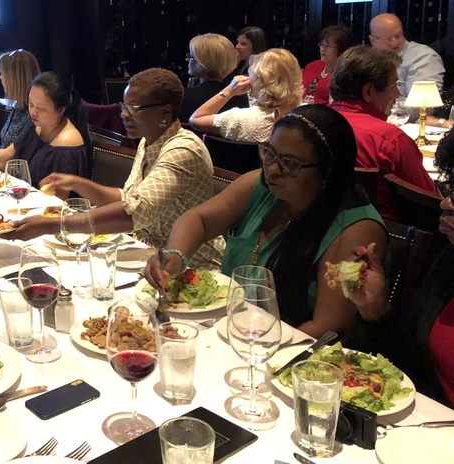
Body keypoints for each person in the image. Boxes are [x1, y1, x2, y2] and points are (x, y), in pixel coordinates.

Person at [146, 105, 387, 339]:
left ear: (327, 172)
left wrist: (255, 349)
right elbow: (199, 219)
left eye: (290, 163)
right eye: (269, 153)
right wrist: (174, 255)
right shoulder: (263, 187)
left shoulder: (354, 228)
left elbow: (327, 329)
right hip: (235, 333)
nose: (272, 169)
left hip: (292, 354)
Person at [5, 69, 224, 269]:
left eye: (133, 108)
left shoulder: (183, 149)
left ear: (165, 112)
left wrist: (52, 225)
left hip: (192, 265)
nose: (123, 114)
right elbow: (128, 198)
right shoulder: (147, 142)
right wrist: (76, 183)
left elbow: (137, 210)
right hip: (148, 255)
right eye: (123, 106)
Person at [344, 130, 454, 407]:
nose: (445, 202)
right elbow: (414, 369)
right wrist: (375, 309)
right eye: (450, 187)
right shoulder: (448, 263)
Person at [329, 45, 435, 222]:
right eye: (394, 86)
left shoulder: (308, 125)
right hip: (382, 233)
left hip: (314, 231)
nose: (398, 94)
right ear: (369, 91)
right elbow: (427, 201)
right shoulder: (390, 140)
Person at [0, 71, 90, 198]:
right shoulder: (36, 124)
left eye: (40, 109)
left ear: (61, 110)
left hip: (48, 205)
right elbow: (8, 154)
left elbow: (58, 200)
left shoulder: (67, 141)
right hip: (26, 198)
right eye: (31, 104)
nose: (33, 112)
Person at [190, 48, 303, 143]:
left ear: (259, 81)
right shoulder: (304, 119)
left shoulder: (237, 119)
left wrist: (229, 91)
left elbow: (195, 119)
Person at [368, 13, 444, 121]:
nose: (395, 43)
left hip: (404, 123)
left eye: (398, 36)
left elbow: (423, 105)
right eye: (388, 39)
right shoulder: (367, 59)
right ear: (373, 40)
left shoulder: (422, 56)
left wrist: (377, 108)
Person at [179, 33, 249, 122]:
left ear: (203, 62)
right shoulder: (240, 97)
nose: (187, 60)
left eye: (191, 56)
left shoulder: (183, 97)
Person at [0, 49, 41, 147]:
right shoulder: (18, 107)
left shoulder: (33, 114)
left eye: (3, 74)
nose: (0, 77)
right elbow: (4, 147)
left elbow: (20, 153)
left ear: (15, 80)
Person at [302, 25, 353, 105]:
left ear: (341, 50)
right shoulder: (312, 66)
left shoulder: (342, 74)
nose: (322, 49)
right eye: (322, 45)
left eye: (327, 46)